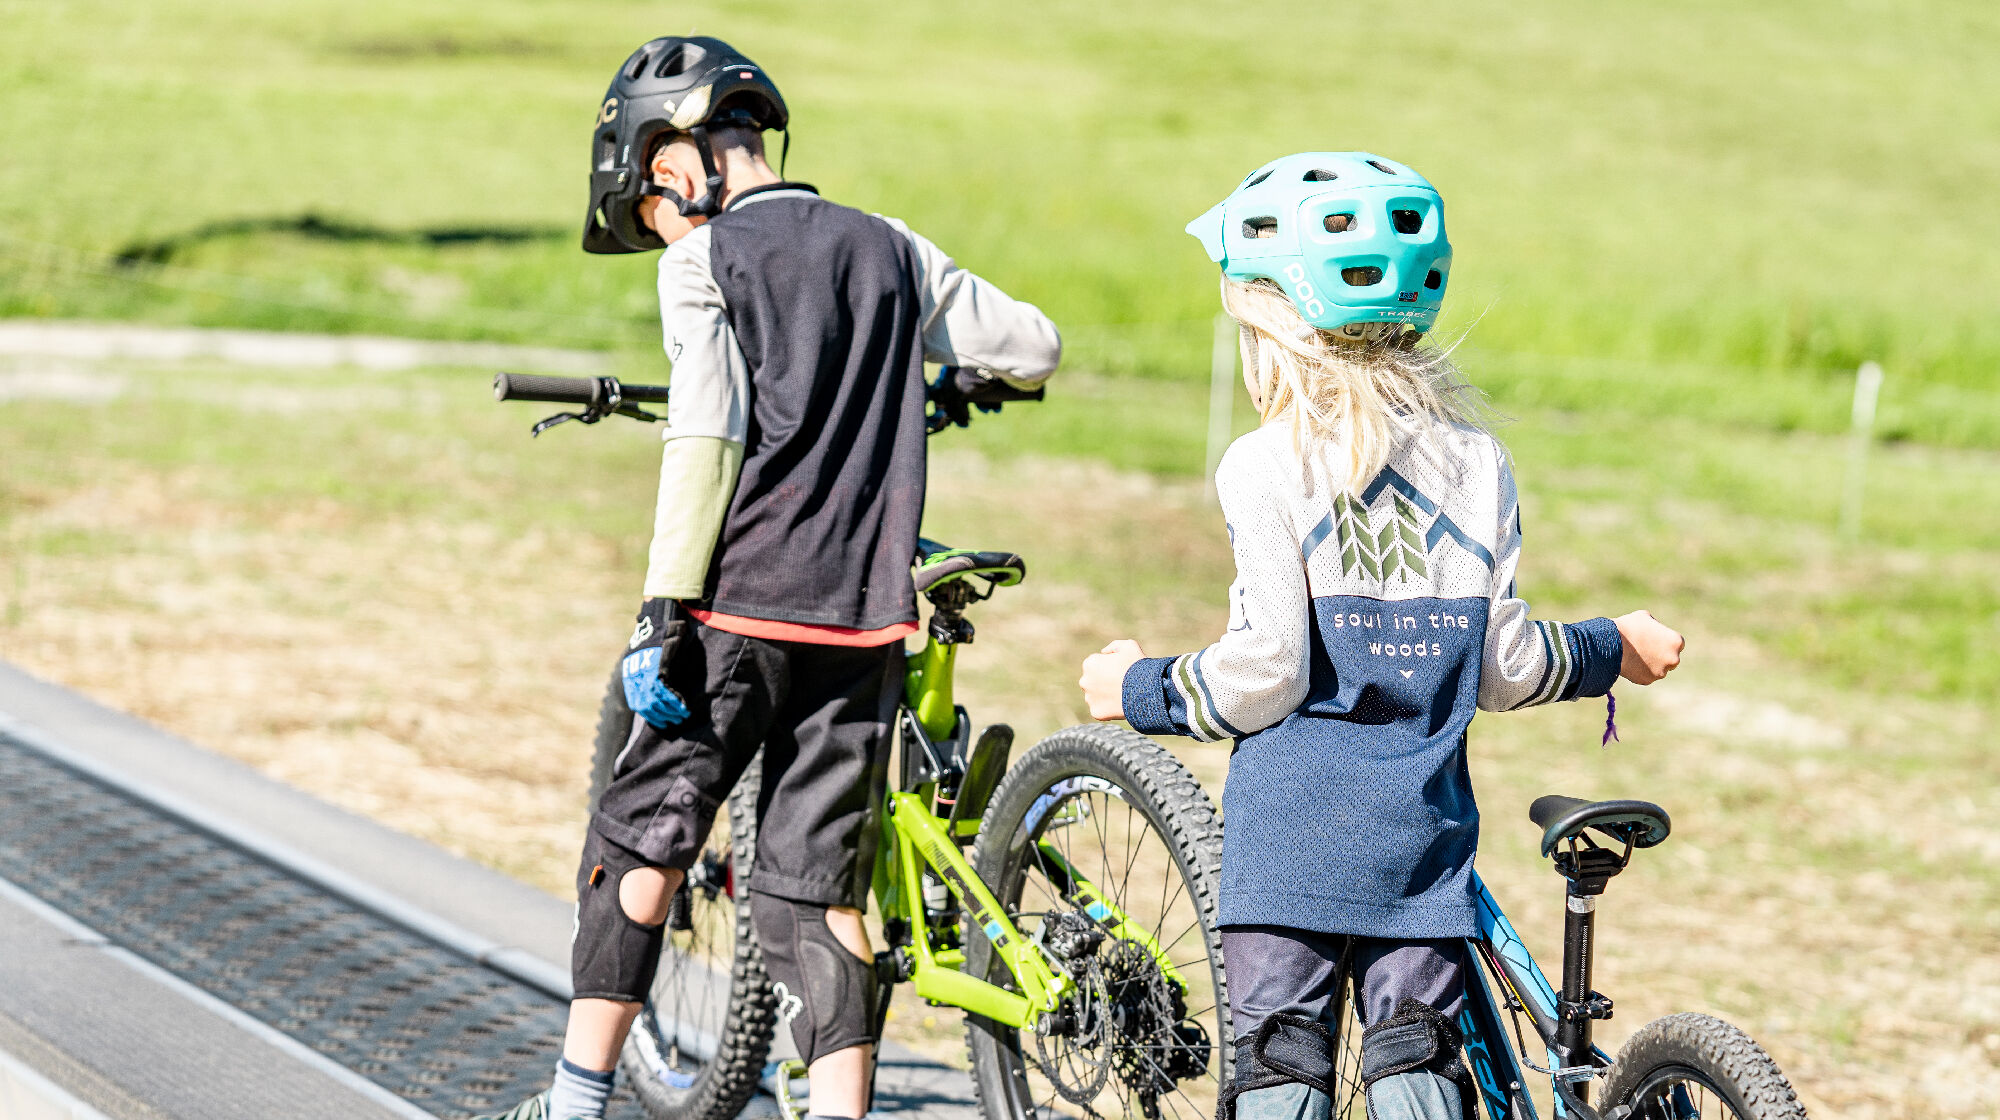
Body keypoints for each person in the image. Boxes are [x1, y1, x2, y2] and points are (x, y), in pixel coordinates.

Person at [478, 36, 1061, 1120]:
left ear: (675, 159)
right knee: (815, 899)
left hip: (736, 611)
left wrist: (661, 612)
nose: (662, 227)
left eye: (649, 206)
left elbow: (704, 436)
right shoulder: (891, 247)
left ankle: (573, 1102)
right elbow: (1034, 343)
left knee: (635, 845)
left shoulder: (701, 263)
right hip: (864, 621)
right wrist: (943, 355)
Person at [1075, 152, 1683, 1120]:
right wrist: (1613, 645)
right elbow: (1505, 666)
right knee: (1416, 1069)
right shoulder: (1476, 463)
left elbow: (1263, 674)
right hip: (1421, 845)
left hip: (1288, 847)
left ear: (1267, 322)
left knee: (1279, 1070)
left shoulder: (1264, 463)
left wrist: (1135, 686)